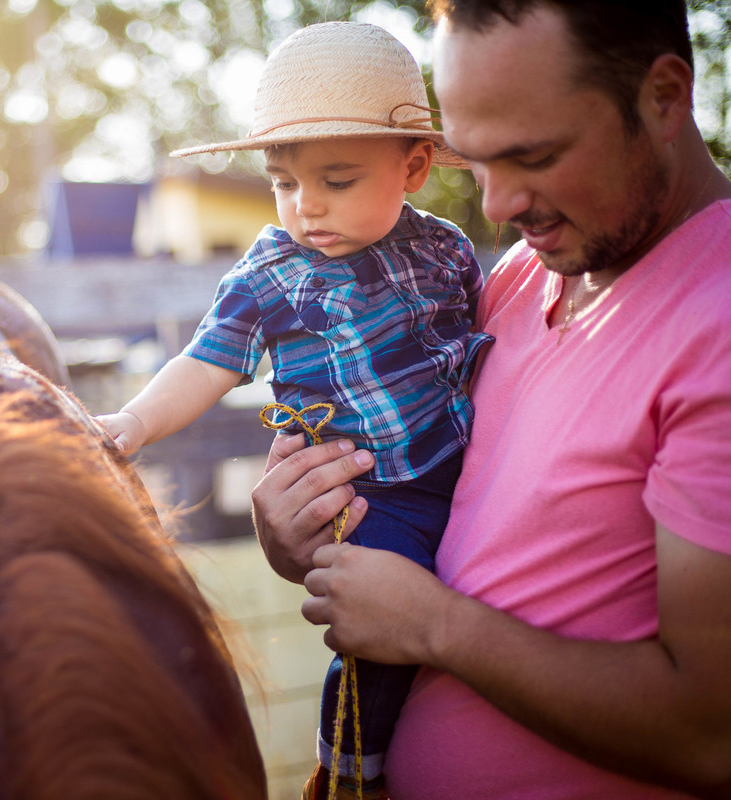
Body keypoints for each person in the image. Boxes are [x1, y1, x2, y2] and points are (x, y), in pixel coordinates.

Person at [252, 2, 731, 798]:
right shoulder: (519, 275)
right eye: (475, 162)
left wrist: (434, 627)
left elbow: (710, 734)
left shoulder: (717, 324)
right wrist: (303, 532)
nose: (500, 207)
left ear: (665, 97)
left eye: (533, 156)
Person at [96, 22, 489, 795]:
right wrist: (133, 423)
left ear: (412, 167)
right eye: (283, 182)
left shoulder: (444, 249)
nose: (305, 207)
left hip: (468, 463)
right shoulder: (270, 274)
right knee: (380, 617)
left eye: (337, 180)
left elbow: (474, 343)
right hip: (377, 489)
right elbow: (204, 363)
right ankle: (350, 766)